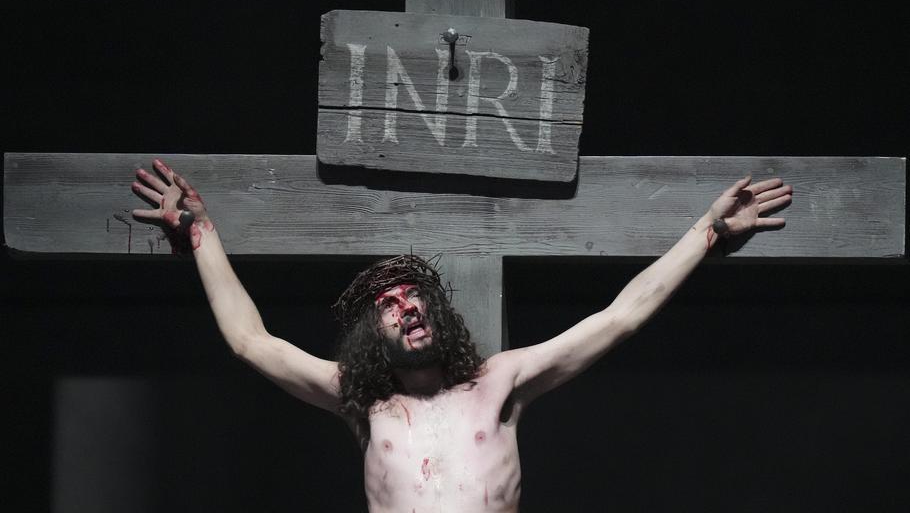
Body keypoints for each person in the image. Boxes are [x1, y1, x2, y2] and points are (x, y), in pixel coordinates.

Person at [131, 159, 792, 512]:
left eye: (412, 295)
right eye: (386, 305)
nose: (404, 307)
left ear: (437, 312)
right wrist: (200, 235)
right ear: (375, 335)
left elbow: (619, 317)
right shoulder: (368, 404)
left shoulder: (499, 382)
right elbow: (251, 341)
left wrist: (706, 234)